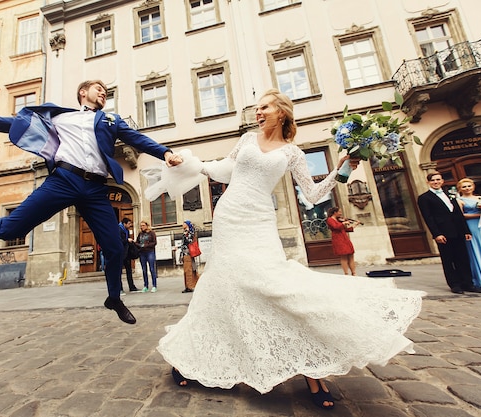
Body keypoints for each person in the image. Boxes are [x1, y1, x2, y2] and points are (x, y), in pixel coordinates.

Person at [156, 89, 424, 410]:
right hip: (231, 216)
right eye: (257, 108)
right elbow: (223, 170)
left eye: (264, 107)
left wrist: (341, 170)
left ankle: (311, 367)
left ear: (281, 112)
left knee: (276, 286)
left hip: (260, 221)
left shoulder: (293, 152)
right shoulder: (246, 139)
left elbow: (311, 194)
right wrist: (188, 162)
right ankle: (191, 359)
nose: (258, 112)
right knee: (224, 286)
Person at [0, 80, 182, 325]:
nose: (103, 92)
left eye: (106, 92)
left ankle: (114, 298)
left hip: (96, 188)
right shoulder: (59, 118)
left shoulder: (111, 121)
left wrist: (166, 153)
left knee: (115, 248)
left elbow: (138, 139)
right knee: (16, 228)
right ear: (82, 92)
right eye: (98, 88)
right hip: (64, 180)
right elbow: (10, 123)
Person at [417, 172, 481, 294]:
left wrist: (465, 230)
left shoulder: (450, 194)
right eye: (433, 180)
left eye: (438, 179)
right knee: (448, 259)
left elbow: (458, 214)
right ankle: (455, 284)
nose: (436, 182)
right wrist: (436, 234)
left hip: (458, 231)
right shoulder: (424, 198)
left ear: (442, 181)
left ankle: (468, 283)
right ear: (428, 182)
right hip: (443, 233)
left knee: (463, 258)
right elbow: (428, 217)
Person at [456, 178, 481, 290]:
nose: (467, 188)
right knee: (479, 249)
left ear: (473, 187)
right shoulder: (460, 200)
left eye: (469, 186)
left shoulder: (480, 198)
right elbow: (461, 215)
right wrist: (480, 215)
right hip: (473, 225)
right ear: (460, 189)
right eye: (464, 187)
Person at [326, 207, 358, 276]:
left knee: (351, 255)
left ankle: (354, 272)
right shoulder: (330, 220)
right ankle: (346, 273)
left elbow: (345, 229)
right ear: (335, 212)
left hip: (345, 238)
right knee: (344, 256)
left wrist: (355, 225)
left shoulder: (338, 220)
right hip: (338, 239)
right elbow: (335, 227)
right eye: (339, 212)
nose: (341, 213)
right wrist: (344, 223)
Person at [136, 220, 158, 292]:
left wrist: (146, 245)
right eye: (141, 226)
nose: (142, 227)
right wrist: (139, 245)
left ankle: (154, 285)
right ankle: (145, 285)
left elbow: (154, 242)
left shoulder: (151, 233)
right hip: (142, 253)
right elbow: (137, 242)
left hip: (150, 252)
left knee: (152, 269)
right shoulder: (140, 234)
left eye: (143, 225)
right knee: (144, 270)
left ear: (147, 225)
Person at [119, 218, 139, 293]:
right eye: (129, 224)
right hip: (120, 253)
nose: (130, 225)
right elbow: (118, 240)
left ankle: (132, 287)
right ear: (124, 223)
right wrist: (127, 240)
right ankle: (120, 288)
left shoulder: (126, 230)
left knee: (129, 271)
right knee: (119, 272)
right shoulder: (118, 229)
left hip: (126, 253)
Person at [180, 220, 200, 292]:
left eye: (184, 223)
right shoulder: (185, 232)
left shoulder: (189, 232)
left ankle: (189, 287)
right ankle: (192, 285)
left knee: (188, 270)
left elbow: (189, 241)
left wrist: (186, 234)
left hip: (188, 253)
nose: (182, 225)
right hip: (185, 253)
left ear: (187, 225)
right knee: (189, 269)